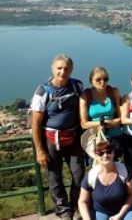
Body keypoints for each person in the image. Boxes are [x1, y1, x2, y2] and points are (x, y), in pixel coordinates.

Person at [31, 54, 85, 220]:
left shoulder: (77, 86)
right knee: (54, 177)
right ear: (52, 69)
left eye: (66, 68)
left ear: (72, 69)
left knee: (79, 174)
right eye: (59, 68)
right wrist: (40, 150)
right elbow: (35, 124)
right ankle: (63, 210)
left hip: (73, 137)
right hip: (51, 140)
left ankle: (76, 206)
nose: (63, 71)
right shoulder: (43, 91)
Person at [78, 141, 132, 220]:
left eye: (109, 152)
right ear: (96, 156)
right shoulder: (91, 175)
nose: (105, 155)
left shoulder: (124, 170)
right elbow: (82, 201)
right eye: (101, 153)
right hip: (100, 211)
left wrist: (119, 215)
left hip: (125, 209)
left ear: (113, 154)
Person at [80, 67, 123, 159]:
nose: (102, 82)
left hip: (114, 136)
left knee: (115, 164)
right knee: (97, 165)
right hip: (95, 139)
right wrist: (101, 123)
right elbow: (84, 124)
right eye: (98, 79)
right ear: (91, 80)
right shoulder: (86, 95)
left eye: (105, 79)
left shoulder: (114, 92)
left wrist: (112, 122)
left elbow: (121, 118)